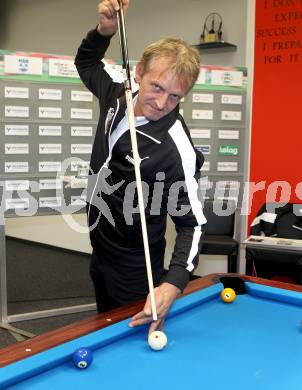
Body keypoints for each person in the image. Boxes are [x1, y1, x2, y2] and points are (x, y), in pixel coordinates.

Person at [75, 0, 206, 333]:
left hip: (136, 263)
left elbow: (192, 224)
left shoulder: (176, 146)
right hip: (100, 246)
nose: (162, 103)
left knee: (130, 338)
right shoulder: (116, 95)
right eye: (157, 87)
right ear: (138, 73)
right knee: (104, 327)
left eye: (175, 96)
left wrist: (173, 284)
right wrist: (104, 31)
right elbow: (87, 62)